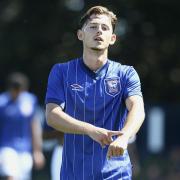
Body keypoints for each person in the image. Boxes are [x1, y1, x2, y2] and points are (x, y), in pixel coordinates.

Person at [45, 5, 145, 180]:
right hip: (75, 174)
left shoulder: (126, 73)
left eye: (105, 28)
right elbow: (52, 115)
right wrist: (90, 130)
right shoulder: (61, 71)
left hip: (116, 173)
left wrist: (124, 137)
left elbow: (138, 109)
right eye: (93, 27)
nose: (99, 31)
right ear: (80, 35)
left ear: (112, 38)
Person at [0, 72, 45, 180]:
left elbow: (34, 126)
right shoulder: (2, 102)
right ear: (10, 89)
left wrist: (37, 151)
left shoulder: (30, 101)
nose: (18, 94)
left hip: (25, 149)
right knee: (11, 176)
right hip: (7, 148)